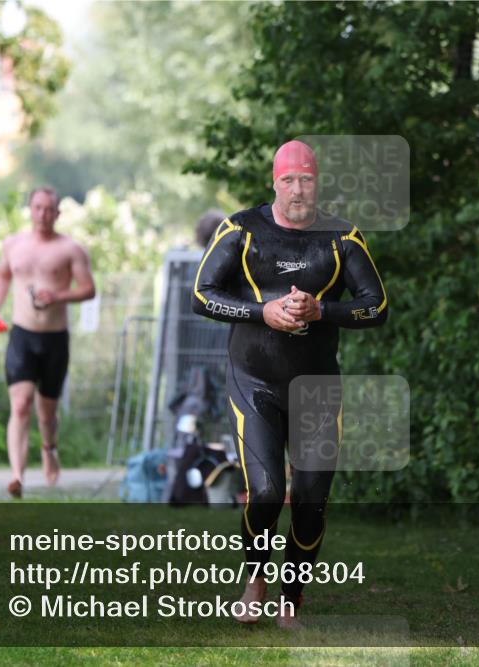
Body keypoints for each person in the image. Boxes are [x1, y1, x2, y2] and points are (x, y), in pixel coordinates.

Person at [192, 140, 388, 629]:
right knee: (264, 493)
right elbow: (202, 294)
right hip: (254, 379)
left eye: (306, 180)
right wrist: (263, 312)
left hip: (317, 387)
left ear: (317, 183)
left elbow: (377, 305)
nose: (297, 189)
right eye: (288, 180)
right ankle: (256, 577)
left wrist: (323, 310)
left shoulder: (343, 237)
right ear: (273, 183)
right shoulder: (241, 229)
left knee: (310, 499)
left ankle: (291, 601)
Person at [0, 187, 96, 499]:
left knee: (46, 413)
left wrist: (57, 296)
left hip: (54, 339)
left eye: (49, 209)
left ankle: (49, 448)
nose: (43, 215)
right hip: (22, 334)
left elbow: (89, 289)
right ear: (30, 209)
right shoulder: (13, 244)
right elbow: (2, 275)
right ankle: (17, 476)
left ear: (58, 213)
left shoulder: (71, 249)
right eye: (37, 208)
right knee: (20, 405)